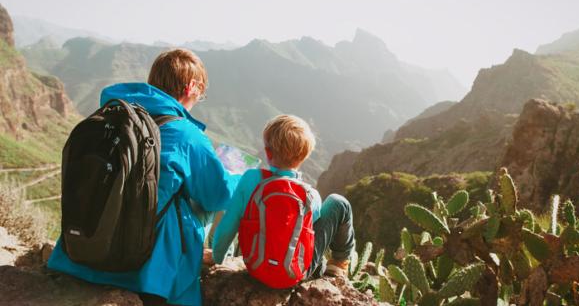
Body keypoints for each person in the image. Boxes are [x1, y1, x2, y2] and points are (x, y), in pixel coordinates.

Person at [47, 48, 240, 306]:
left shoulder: (111, 117)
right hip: (141, 271)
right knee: (198, 201)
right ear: (192, 87)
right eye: (200, 93)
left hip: (79, 252)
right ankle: (212, 259)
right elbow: (219, 196)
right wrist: (240, 178)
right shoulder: (186, 134)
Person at [212, 114, 356, 280]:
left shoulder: (251, 178)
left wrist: (218, 259)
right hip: (296, 273)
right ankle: (338, 264)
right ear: (305, 155)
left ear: (267, 151)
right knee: (338, 202)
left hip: (255, 266)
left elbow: (227, 226)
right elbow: (312, 230)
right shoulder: (312, 195)